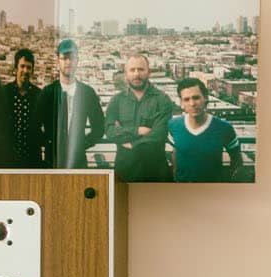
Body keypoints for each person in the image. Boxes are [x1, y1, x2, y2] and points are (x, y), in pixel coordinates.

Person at [103, 53, 176, 181]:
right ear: (126, 74)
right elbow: (110, 132)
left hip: (155, 172)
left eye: (141, 69)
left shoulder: (162, 100)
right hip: (124, 171)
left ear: (149, 72)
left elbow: (158, 135)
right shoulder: (116, 100)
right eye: (132, 70)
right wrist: (138, 131)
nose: (136, 74)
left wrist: (131, 144)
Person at [36, 38, 104, 170]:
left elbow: (99, 126)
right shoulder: (48, 93)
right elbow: (35, 125)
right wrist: (50, 142)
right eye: (64, 58)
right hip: (52, 162)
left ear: (77, 61)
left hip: (78, 161)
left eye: (72, 58)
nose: (68, 62)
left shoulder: (87, 93)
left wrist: (82, 143)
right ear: (58, 61)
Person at [167, 78, 243, 183]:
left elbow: (237, 160)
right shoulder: (173, 125)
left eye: (196, 98)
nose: (192, 103)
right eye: (186, 99)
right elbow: (174, 152)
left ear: (206, 98)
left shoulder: (224, 128)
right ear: (181, 103)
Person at [7, 48, 41, 167]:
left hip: (32, 160)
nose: (25, 70)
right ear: (16, 68)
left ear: (32, 70)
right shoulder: (4, 93)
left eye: (29, 67)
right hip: (8, 159)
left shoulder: (39, 95)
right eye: (22, 66)